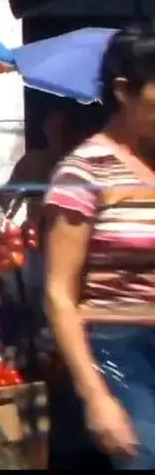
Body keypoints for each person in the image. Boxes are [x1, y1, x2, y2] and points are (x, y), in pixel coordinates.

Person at [44, 24, 155, 469]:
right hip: (117, 349)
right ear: (125, 91)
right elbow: (58, 294)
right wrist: (97, 397)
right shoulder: (83, 172)